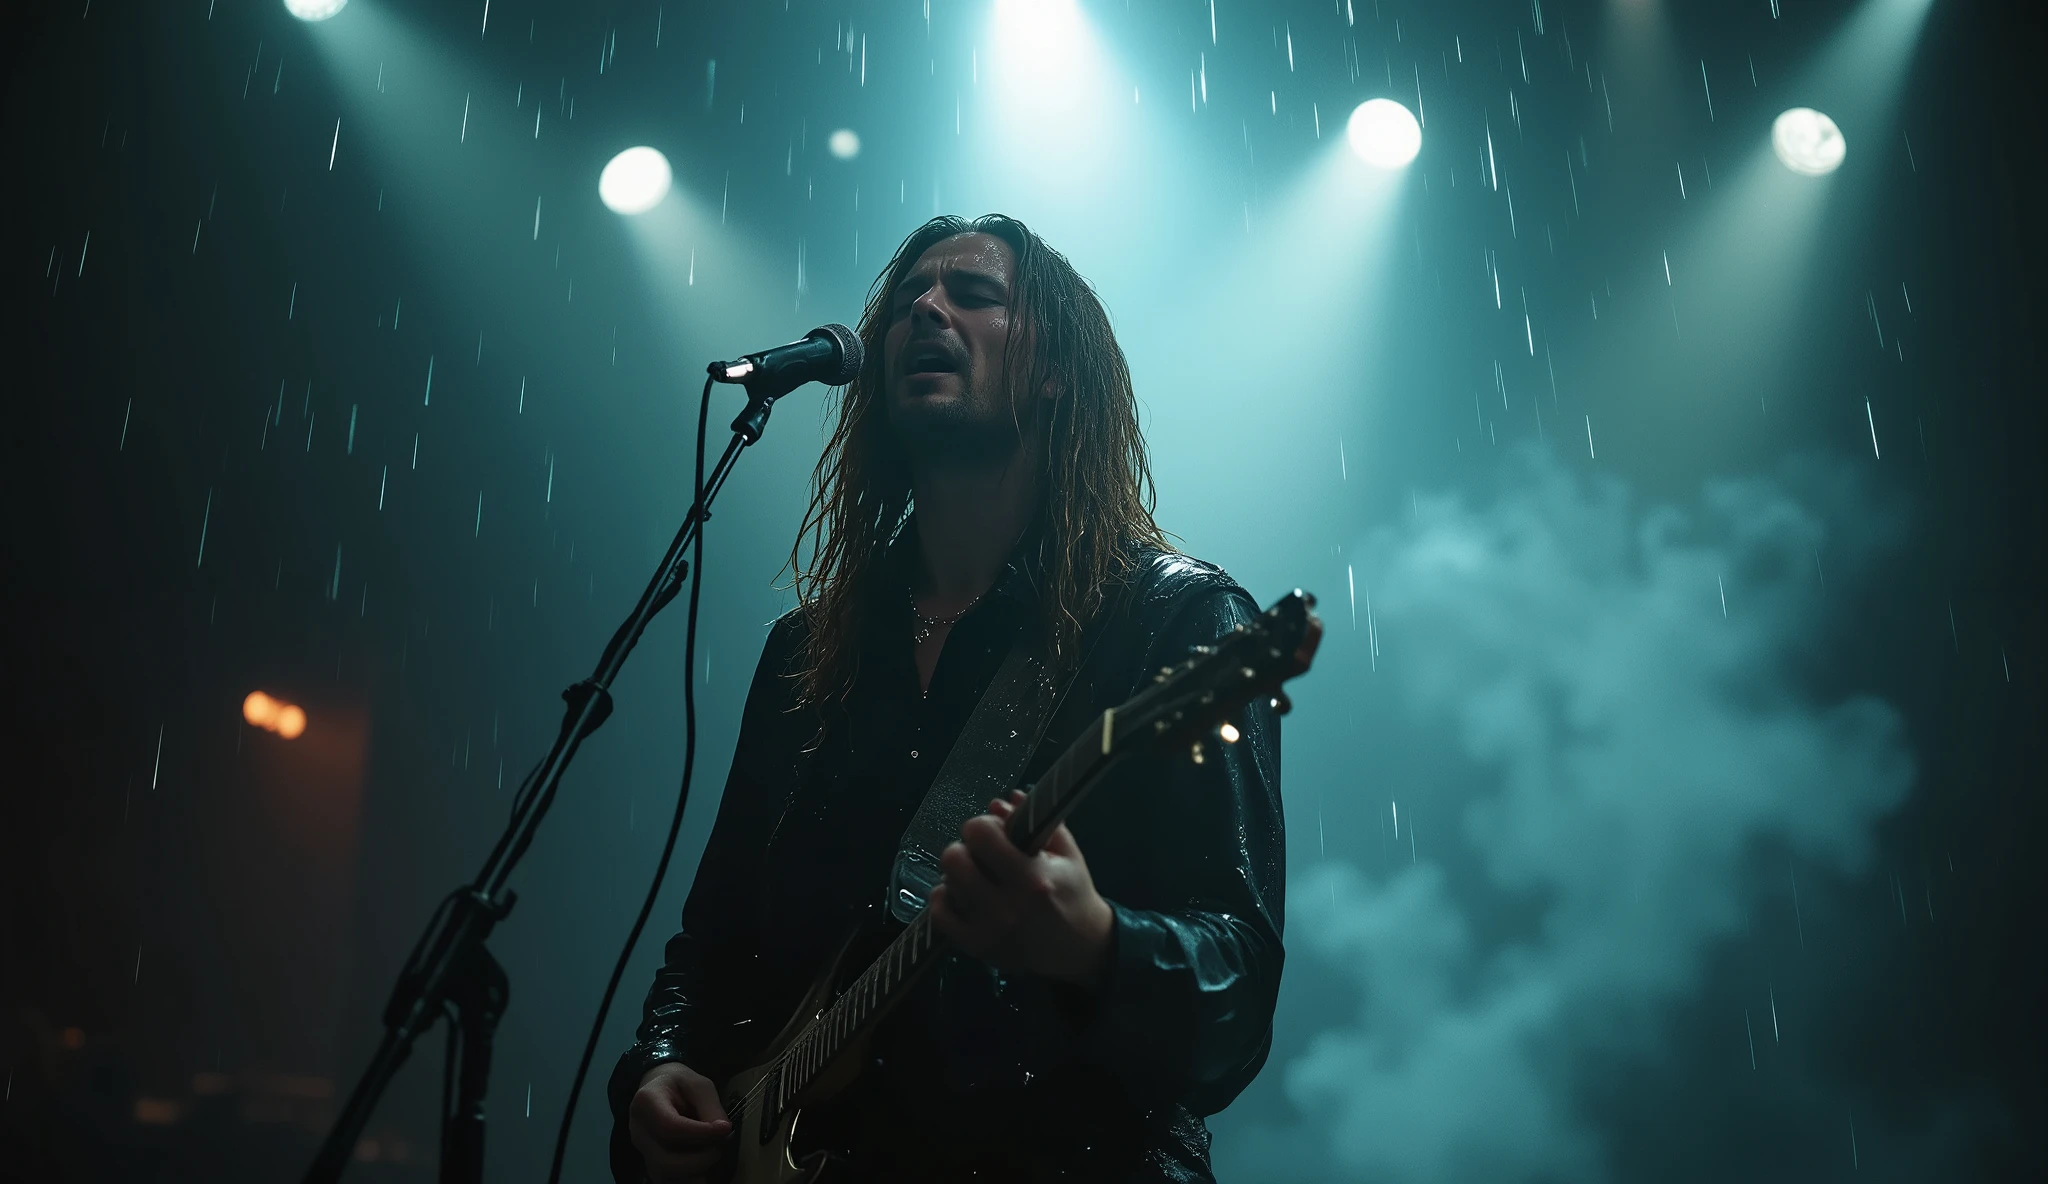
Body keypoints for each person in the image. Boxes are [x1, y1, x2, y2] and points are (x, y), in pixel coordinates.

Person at [607, 214, 1285, 1183]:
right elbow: (714, 936)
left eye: (973, 294)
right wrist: (659, 1061)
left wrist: (1097, 942)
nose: (924, 306)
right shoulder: (811, 651)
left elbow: (1238, 994)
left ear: (1054, 370)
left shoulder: (1171, 622)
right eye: (908, 299)